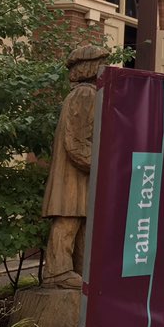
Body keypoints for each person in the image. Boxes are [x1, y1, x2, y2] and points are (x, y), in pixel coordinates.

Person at [41, 44, 108, 289]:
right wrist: (103, 164)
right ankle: (58, 272)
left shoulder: (85, 93)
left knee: (80, 221)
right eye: (102, 62)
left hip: (81, 175)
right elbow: (76, 141)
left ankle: (79, 270)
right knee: (68, 219)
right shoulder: (85, 95)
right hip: (74, 175)